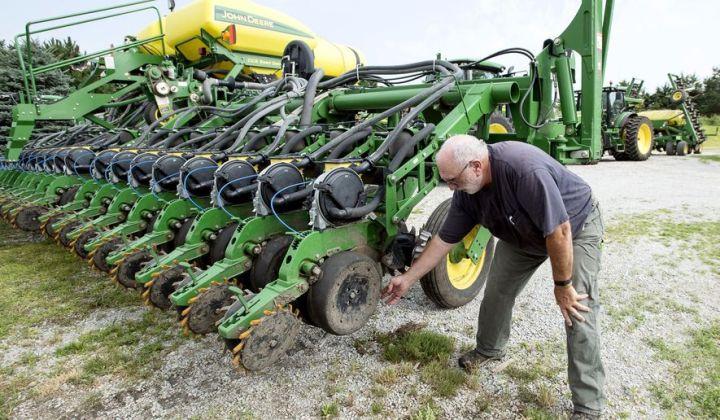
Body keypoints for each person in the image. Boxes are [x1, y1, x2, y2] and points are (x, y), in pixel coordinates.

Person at [382, 135, 606, 418]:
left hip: (574, 227)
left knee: (576, 307)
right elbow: (442, 241)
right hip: (524, 235)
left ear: (476, 166)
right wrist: (408, 278)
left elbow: (558, 231)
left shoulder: (523, 170)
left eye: (453, 180)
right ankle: (489, 350)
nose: (450, 187)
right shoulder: (466, 194)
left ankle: (588, 404)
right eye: (447, 181)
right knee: (498, 290)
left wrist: (562, 285)